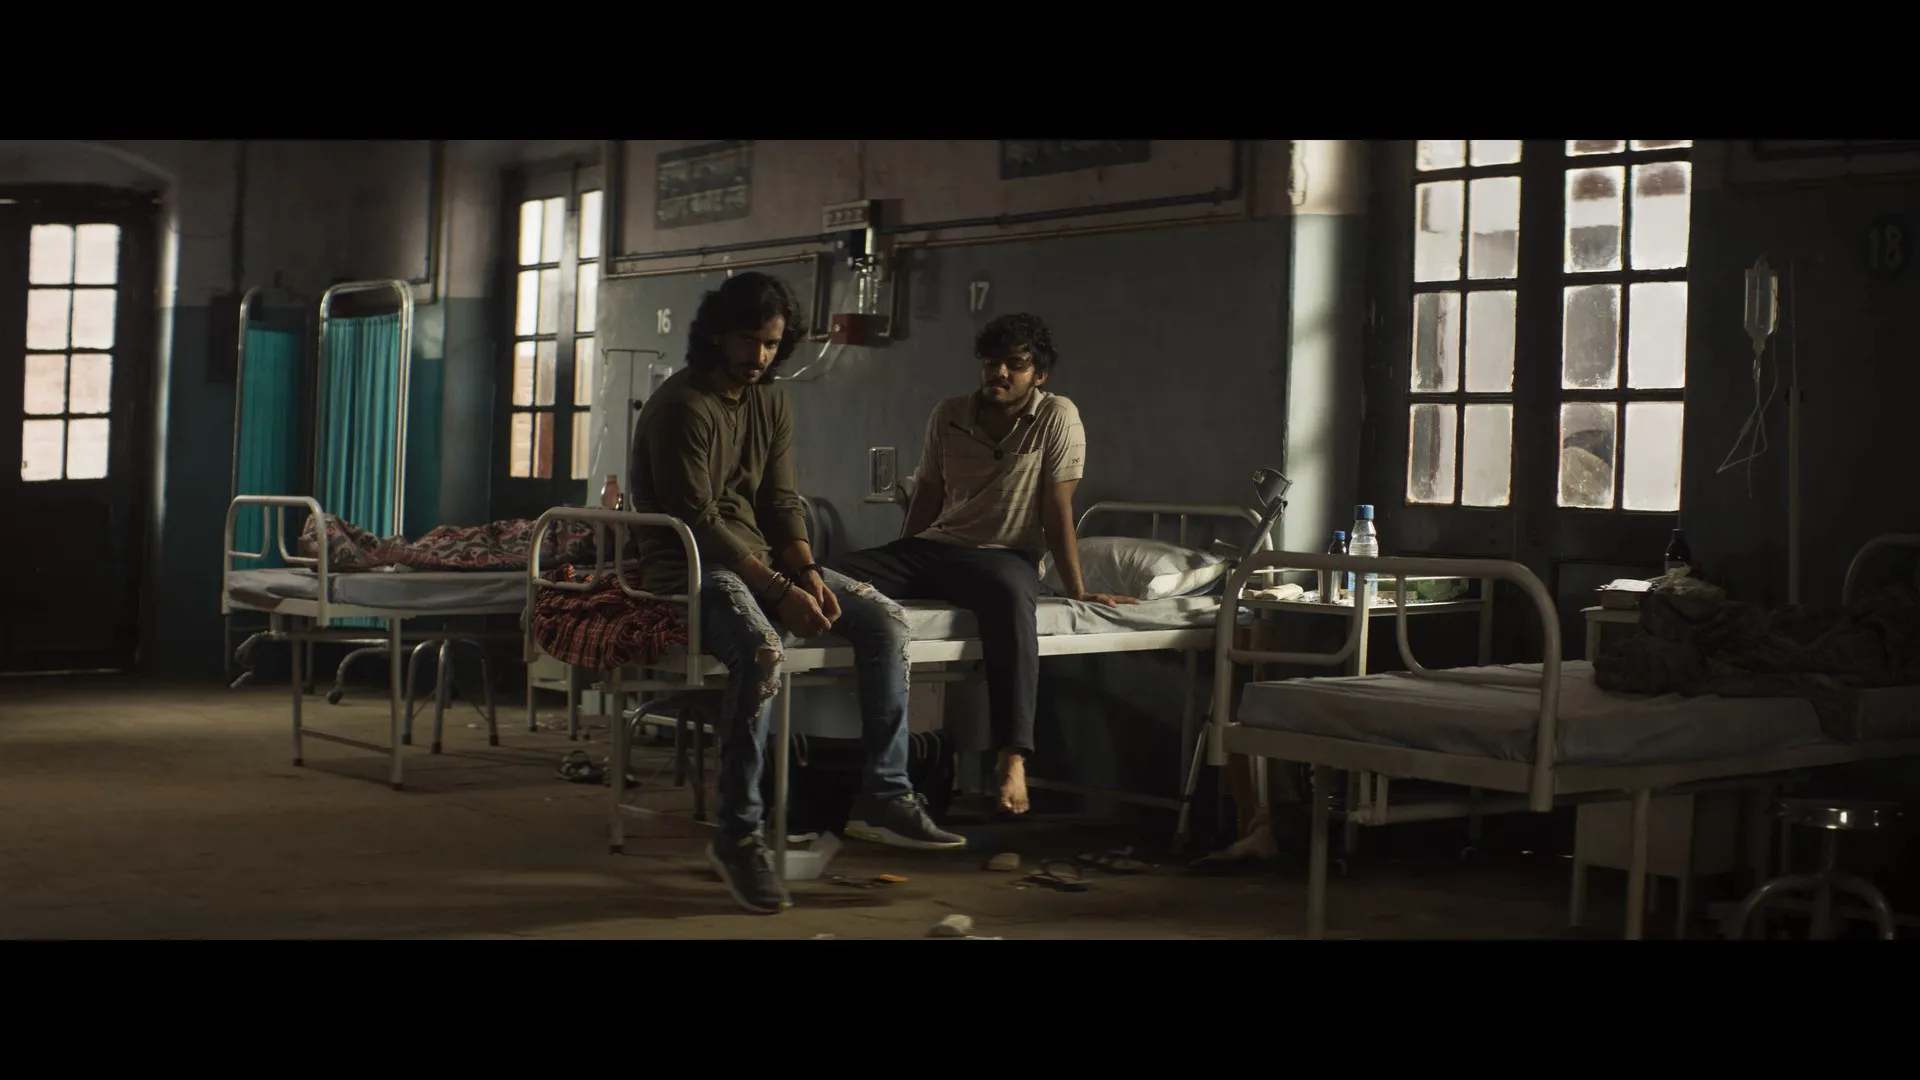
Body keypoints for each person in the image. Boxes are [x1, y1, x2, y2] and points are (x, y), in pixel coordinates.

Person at [627, 271, 965, 916]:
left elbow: (782, 501)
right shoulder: (682, 407)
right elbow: (700, 521)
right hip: (691, 570)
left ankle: (886, 793)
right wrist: (780, 591)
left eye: (772, 343)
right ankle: (738, 835)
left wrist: (807, 572)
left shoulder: (771, 401)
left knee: (887, 621)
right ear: (718, 334)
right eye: (748, 340)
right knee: (762, 653)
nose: (760, 355)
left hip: (759, 561)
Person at [827, 313, 1136, 816]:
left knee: (1012, 602)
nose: (1000, 373)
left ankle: (1013, 755)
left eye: (1015, 365)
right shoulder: (948, 414)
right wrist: (900, 558)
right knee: (822, 572)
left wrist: (1076, 589)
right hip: (935, 548)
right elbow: (928, 495)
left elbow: (1057, 509)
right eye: (992, 363)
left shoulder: (1057, 416)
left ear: (1039, 374)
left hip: (1003, 557)